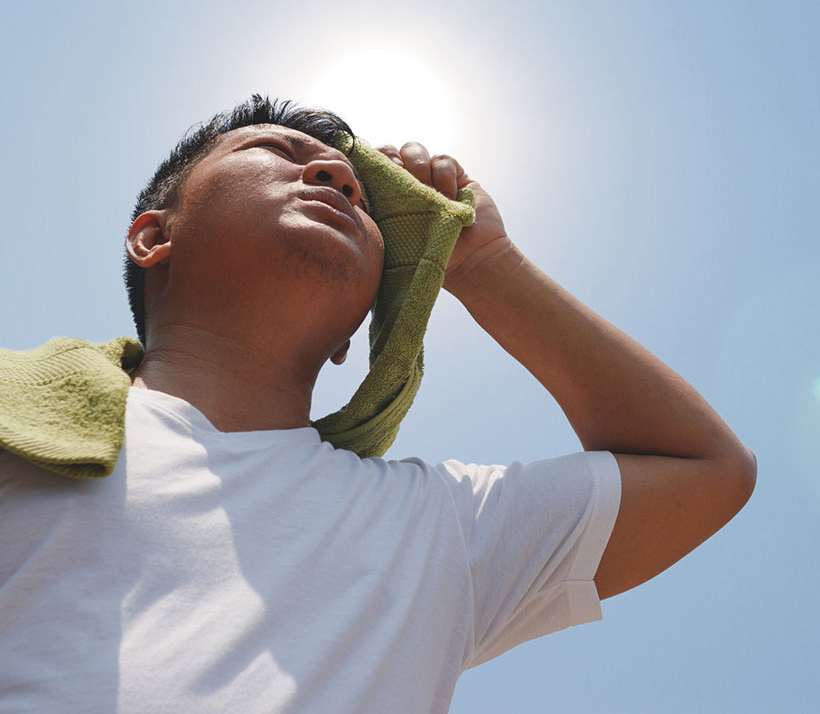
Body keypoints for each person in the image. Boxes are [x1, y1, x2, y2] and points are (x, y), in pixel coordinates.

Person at [0, 95, 756, 713]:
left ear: (350, 338)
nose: (336, 174)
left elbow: (706, 469)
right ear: (152, 238)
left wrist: (487, 263)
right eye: (278, 154)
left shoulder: (437, 527)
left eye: (361, 197)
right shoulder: (19, 420)